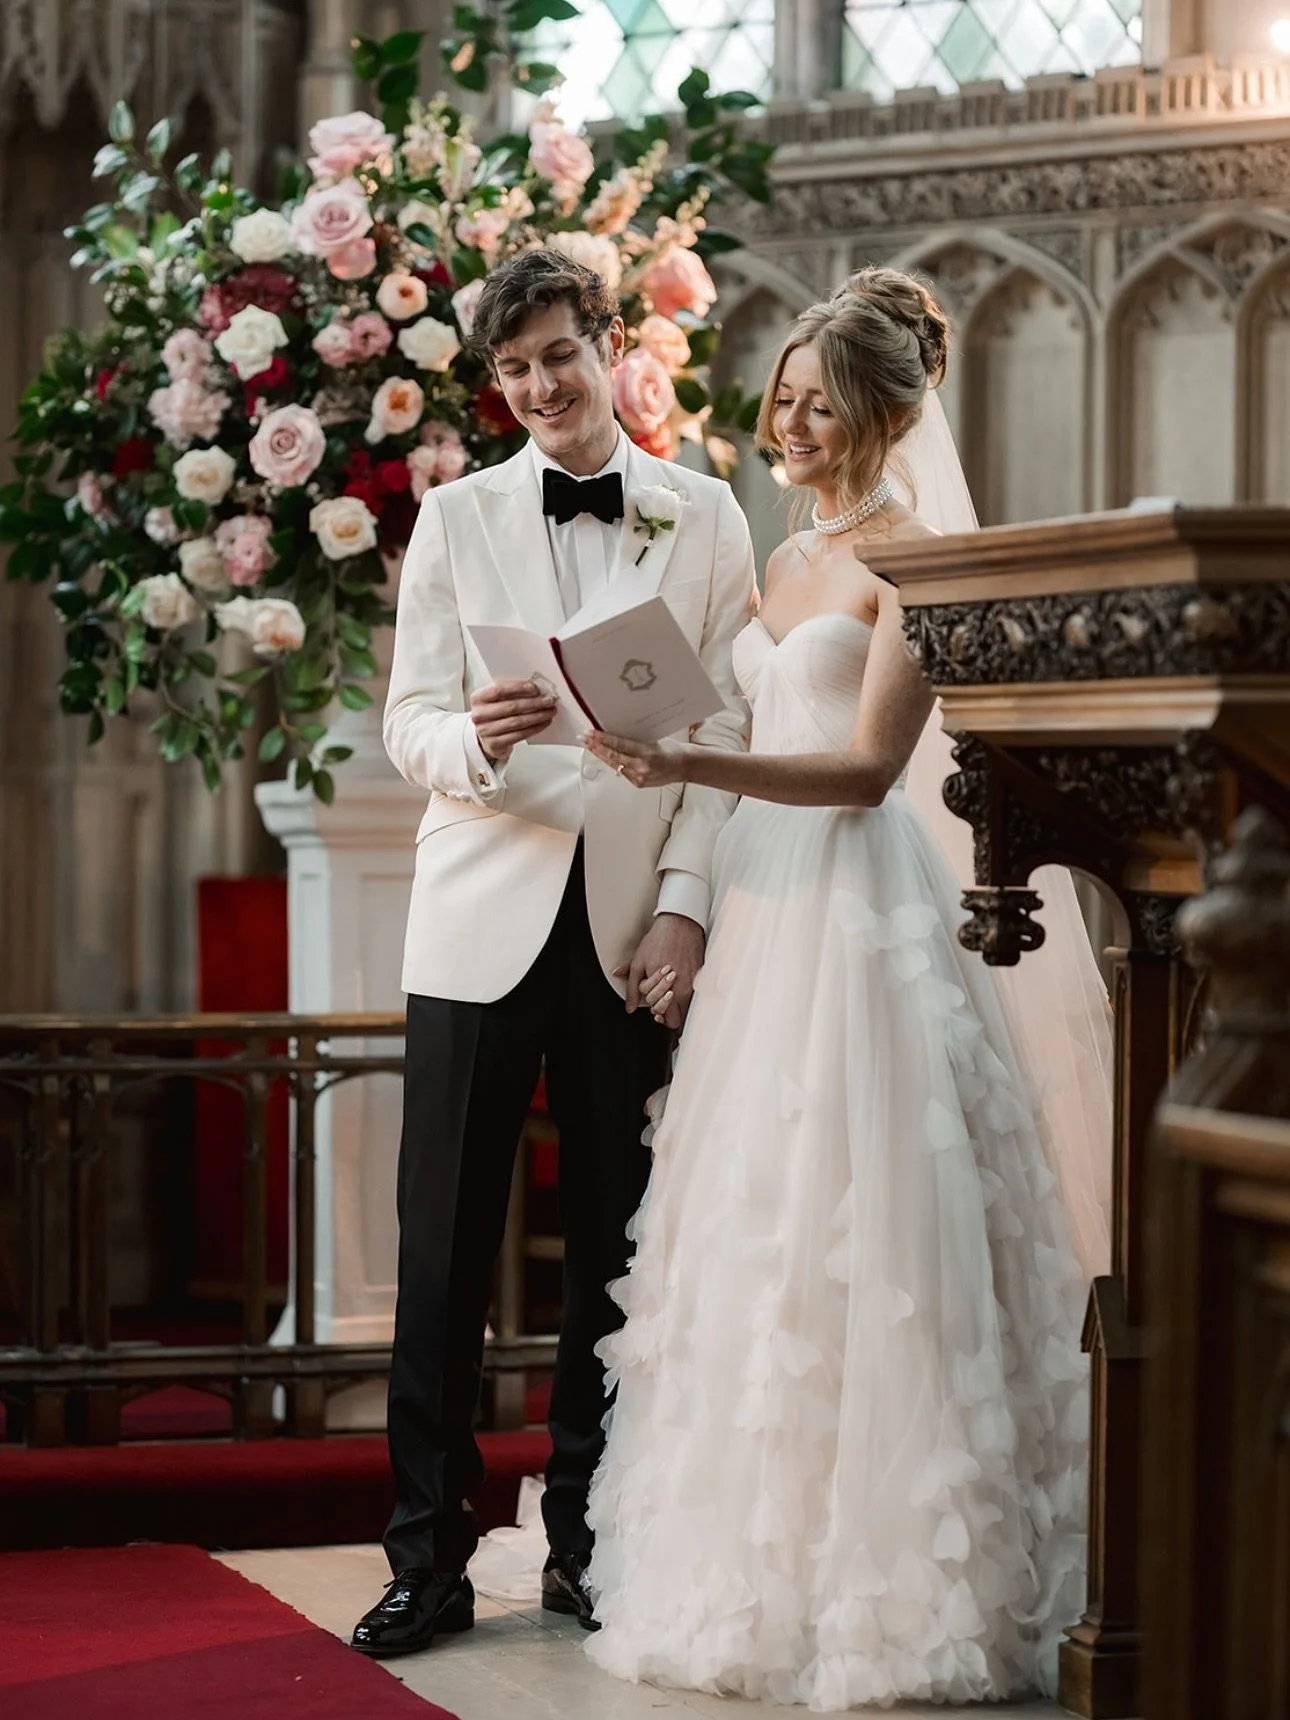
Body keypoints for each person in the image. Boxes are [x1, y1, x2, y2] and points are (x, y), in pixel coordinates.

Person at [579, 268, 1112, 1708]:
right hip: (766, 903)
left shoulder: (914, 560)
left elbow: (868, 767)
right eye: (785, 400)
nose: (792, 424)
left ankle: (902, 1587)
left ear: (883, 414)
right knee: (758, 1210)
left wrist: (690, 756)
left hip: (861, 904)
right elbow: (756, 712)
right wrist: (650, 726)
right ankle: (751, 1566)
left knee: (873, 1211)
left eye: (821, 405)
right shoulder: (785, 551)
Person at [350, 249, 756, 1658]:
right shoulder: (455, 516)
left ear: (610, 345)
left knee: (614, 1251)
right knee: (442, 1256)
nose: (537, 387)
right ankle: (427, 1559)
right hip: (477, 925)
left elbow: (725, 736)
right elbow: (406, 719)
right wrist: (474, 740)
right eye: (512, 369)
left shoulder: (705, 515)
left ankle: (589, 1543)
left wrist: (685, 905)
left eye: (558, 356)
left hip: (630, 931)